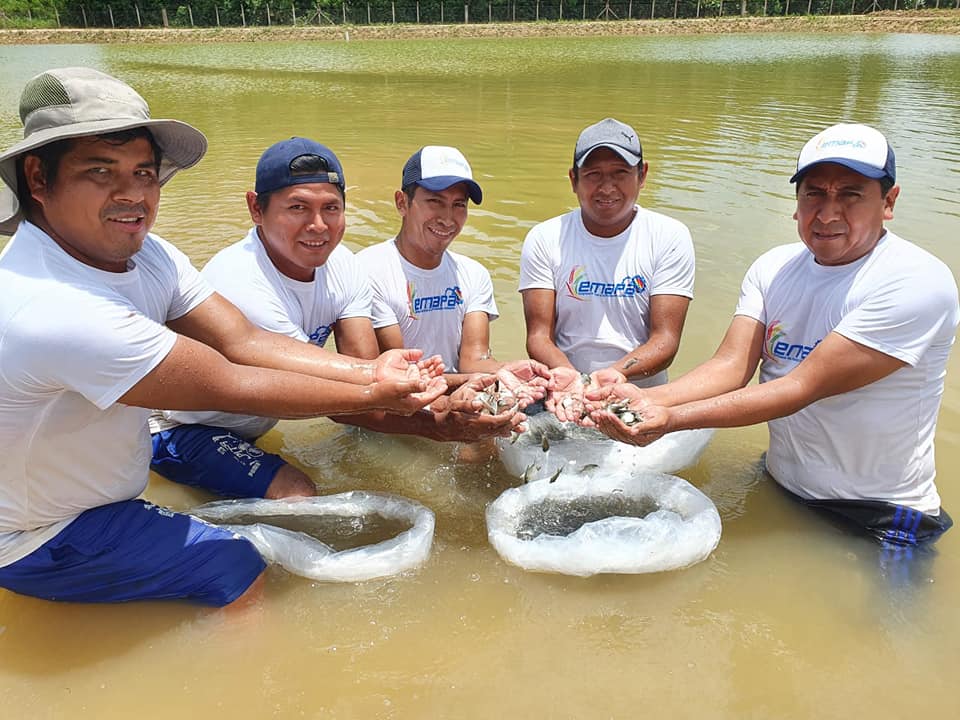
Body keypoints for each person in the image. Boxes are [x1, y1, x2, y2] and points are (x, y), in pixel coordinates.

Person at [0, 67, 448, 606]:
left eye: (144, 173)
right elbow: (228, 382)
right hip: (40, 534)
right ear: (38, 179)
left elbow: (241, 339)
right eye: (100, 171)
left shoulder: (148, 255)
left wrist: (375, 372)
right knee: (234, 565)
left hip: (99, 497)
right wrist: (377, 392)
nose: (132, 195)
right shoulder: (53, 304)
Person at [588, 123, 959, 546]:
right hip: (780, 483)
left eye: (851, 194)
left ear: (888, 202)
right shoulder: (774, 268)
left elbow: (802, 385)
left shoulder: (916, 281)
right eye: (814, 193)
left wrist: (670, 420)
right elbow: (730, 366)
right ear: (796, 203)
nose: (828, 213)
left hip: (880, 512)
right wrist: (638, 397)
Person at [151, 138, 531, 498]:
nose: (318, 225)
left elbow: (363, 371)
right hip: (183, 427)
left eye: (331, 208)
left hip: (247, 423)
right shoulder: (241, 279)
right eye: (297, 208)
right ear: (256, 208)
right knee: (298, 493)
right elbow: (338, 403)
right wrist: (441, 424)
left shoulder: (344, 265)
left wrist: (479, 382)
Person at [518, 117, 696, 423]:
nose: (607, 187)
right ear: (573, 179)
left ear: (643, 175)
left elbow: (665, 341)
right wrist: (575, 383)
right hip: (564, 391)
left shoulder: (669, 236)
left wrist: (611, 378)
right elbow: (538, 337)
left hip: (639, 393)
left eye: (620, 174)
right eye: (593, 174)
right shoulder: (545, 238)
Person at [357, 145, 550, 395]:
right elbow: (401, 373)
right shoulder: (368, 271)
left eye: (458, 204)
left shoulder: (473, 274)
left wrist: (508, 371)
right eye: (435, 202)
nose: (448, 219)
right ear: (402, 203)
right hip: (397, 407)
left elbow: (473, 360)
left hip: (454, 396)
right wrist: (476, 383)